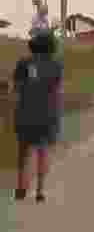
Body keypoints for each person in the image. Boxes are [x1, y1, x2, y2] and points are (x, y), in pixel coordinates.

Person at [11, 30, 63, 202]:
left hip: (26, 113)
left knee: (24, 152)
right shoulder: (56, 65)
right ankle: (40, 191)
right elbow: (57, 91)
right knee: (43, 151)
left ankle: (21, 187)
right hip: (47, 115)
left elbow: (17, 87)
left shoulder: (24, 63)